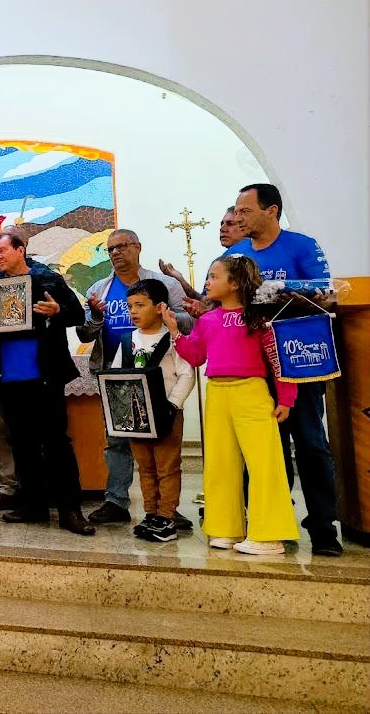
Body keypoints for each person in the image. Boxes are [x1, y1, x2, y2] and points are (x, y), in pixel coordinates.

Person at [225, 183, 341, 556]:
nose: (238, 218)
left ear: (271, 211)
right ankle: (273, 523)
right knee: (263, 448)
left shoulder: (302, 245)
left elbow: (327, 292)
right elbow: (225, 300)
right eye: (236, 211)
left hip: (298, 356)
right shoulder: (235, 255)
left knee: (310, 442)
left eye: (245, 211)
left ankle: (323, 527)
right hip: (252, 363)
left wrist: (274, 290)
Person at [163, 255, 298, 555]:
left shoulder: (259, 318)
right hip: (217, 393)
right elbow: (196, 355)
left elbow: (278, 359)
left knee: (264, 464)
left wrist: (286, 397)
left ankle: (269, 535)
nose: (207, 282)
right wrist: (174, 332)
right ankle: (225, 527)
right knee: (219, 464)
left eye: (214, 276)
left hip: (251, 392)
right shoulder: (207, 319)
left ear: (235, 283)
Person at [0, 232, 95, 535]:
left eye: (3, 250)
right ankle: (32, 504)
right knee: (22, 443)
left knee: (56, 442)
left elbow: (77, 314)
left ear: (20, 250)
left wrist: (57, 311)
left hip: (44, 373)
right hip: (7, 375)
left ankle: (70, 509)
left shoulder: (47, 278)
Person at [78, 229, 191, 528]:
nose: (116, 253)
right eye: (110, 249)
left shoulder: (163, 284)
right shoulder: (98, 289)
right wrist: (95, 316)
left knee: (162, 448)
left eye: (122, 246)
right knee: (117, 441)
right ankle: (116, 501)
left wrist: (165, 315)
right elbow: (85, 334)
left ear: (137, 247)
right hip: (116, 373)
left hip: (158, 375)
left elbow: (190, 321)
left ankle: (166, 509)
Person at [111, 280, 195, 543]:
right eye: (129, 306)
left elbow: (186, 374)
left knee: (167, 466)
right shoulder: (128, 340)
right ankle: (151, 513)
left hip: (167, 413)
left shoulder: (172, 339)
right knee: (145, 466)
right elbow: (117, 375)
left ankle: (167, 516)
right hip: (137, 415)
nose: (133, 311)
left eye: (140, 305)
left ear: (160, 307)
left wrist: (173, 404)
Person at [160, 207, 244, 301]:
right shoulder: (220, 262)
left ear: (244, 225)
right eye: (222, 224)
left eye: (230, 223)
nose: (222, 229)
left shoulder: (248, 259)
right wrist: (181, 281)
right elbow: (208, 302)